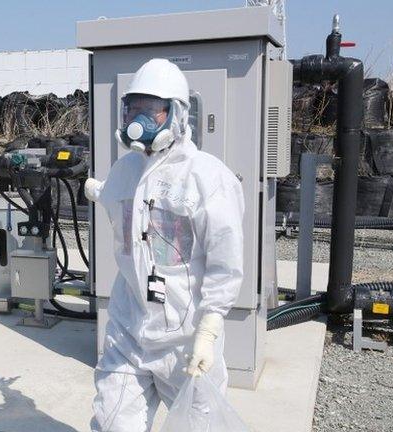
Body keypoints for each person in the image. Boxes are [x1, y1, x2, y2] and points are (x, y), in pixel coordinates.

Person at [84, 58, 245, 432]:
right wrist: (89, 187)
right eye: (132, 108)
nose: (137, 119)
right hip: (129, 328)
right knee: (113, 423)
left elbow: (225, 261)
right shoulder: (126, 171)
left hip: (185, 339)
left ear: (176, 114)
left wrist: (207, 332)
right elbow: (111, 197)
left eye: (149, 109)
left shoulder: (208, 179)